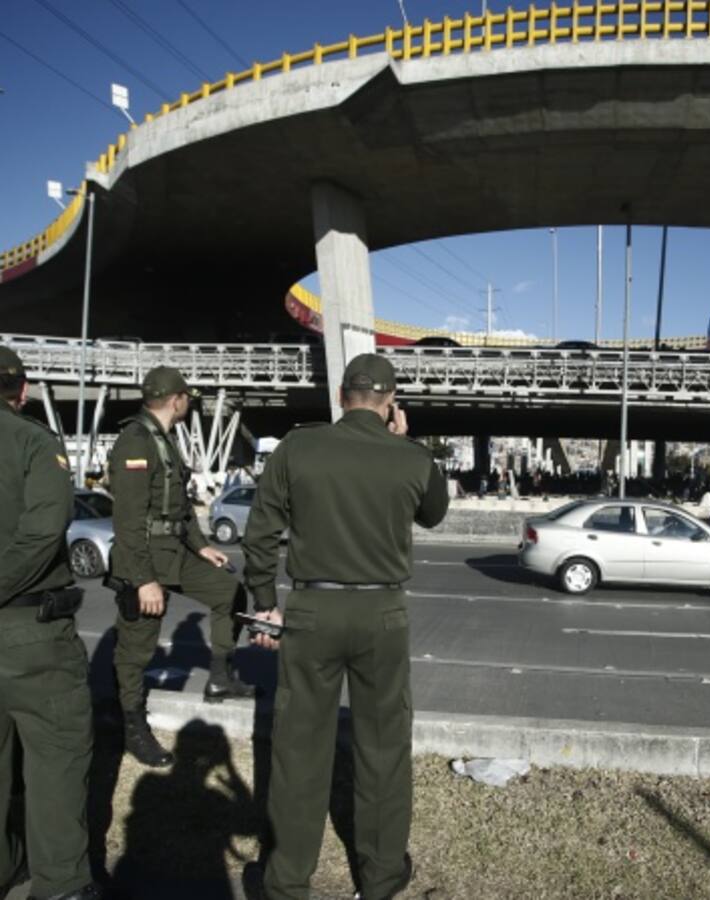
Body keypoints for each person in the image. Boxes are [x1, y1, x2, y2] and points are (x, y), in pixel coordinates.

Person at [243, 353, 449, 900]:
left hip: (312, 609)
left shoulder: (297, 447)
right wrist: (406, 441)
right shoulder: (412, 458)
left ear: (340, 395)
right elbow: (434, 513)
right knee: (383, 748)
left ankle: (287, 880)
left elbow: (260, 532)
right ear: (391, 403)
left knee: (298, 749)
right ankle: (380, 876)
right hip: (382, 613)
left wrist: (264, 602)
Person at [108, 366, 255, 768]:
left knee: (229, 593)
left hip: (174, 551)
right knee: (137, 648)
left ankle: (220, 679)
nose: (189, 403)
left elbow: (179, 505)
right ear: (176, 400)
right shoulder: (135, 441)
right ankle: (132, 726)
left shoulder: (164, 438)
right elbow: (128, 520)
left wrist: (202, 546)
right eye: (187, 397)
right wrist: (143, 580)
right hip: (143, 558)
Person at [0, 346, 101, 900]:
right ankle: (60, 884)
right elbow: (44, 531)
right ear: (21, 390)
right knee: (56, 755)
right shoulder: (34, 442)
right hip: (30, 630)